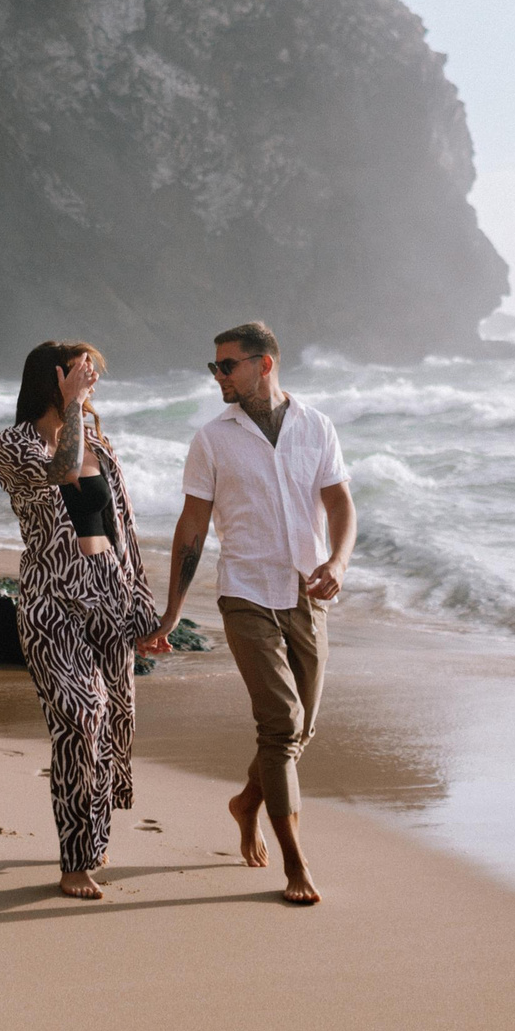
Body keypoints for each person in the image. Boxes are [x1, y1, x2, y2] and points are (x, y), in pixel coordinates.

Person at [144, 320, 354, 906]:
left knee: (300, 729)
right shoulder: (213, 438)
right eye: (213, 367)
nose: (217, 376)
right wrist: (171, 615)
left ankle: (246, 802)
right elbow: (192, 528)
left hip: (307, 594)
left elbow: (340, 503)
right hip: (244, 594)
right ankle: (295, 863)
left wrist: (338, 562)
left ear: (264, 364)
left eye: (226, 365)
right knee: (282, 723)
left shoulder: (317, 427)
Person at [0, 340, 161, 900]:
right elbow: (61, 472)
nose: (92, 384)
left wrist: (143, 607)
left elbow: (123, 531)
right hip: (50, 600)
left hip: (109, 593)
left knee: (112, 723)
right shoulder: (12, 447)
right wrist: (72, 406)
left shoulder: (102, 447)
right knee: (81, 716)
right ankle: (75, 860)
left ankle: (93, 833)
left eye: (94, 376)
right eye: (84, 374)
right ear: (56, 378)